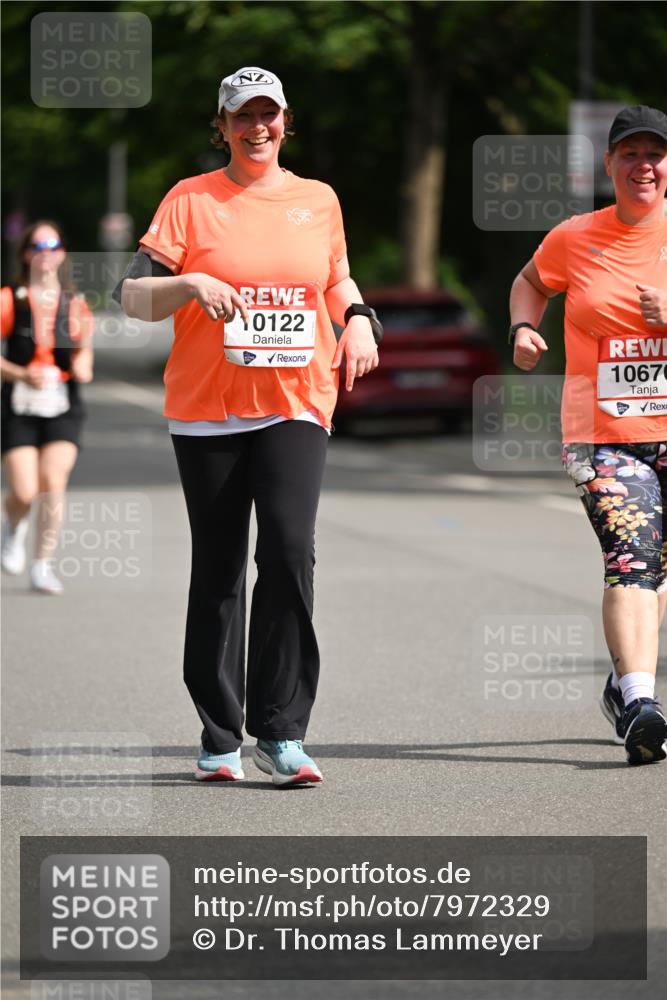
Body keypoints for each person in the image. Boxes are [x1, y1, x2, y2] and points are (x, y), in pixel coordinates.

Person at [115, 66, 380, 786]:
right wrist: (189, 283)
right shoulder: (190, 200)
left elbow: (335, 277)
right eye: (242, 115)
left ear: (285, 121)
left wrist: (355, 318)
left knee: (290, 554)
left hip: (296, 397)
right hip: (207, 410)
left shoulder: (317, 199)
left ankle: (283, 731)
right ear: (222, 124)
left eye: (268, 114)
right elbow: (131, 297)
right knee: (220, 569)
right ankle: (220, 734)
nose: (255, 127)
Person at [509, 105, 667, 765]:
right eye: (629, 154)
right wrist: (522, 328)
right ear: (608, 165)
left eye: (655, 154)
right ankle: (638, 702)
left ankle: (620, 683)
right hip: (599, 434)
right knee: (632, 556)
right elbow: (528, 282)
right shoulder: (574, 237)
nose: (644, 166)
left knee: (656, 565)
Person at [1, 221, 94, 594]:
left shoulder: (74, 303)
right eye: (37, 246)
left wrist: (84, 364)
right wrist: (20, 374)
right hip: (19, 405)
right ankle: (13, 527)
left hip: (62, 404)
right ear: (26, 254)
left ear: (62, 254)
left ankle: (42, 564)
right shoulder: (10, 298)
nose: (45, 252)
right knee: (24, 491)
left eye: (52, 245)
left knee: (52, 482)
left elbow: (84, 346)